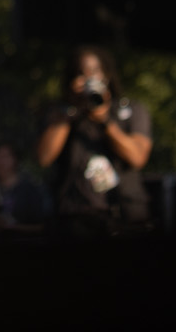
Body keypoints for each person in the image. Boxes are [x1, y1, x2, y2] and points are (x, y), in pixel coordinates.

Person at [37, 46, 152, 228]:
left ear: (107, 75)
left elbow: (138, 157)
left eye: (94, 71)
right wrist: (72, 108)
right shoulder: (62, 114)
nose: (89, 78)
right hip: (73, 218)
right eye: (81, 73)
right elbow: (44, 158)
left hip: (124, 217)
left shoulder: (130, 110)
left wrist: (104, 120)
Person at [0, 140, 47, 229]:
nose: (0, 162)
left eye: (4, 156)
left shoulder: (29, 189)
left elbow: (41, 225)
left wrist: (13, 227)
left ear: (15, 159)